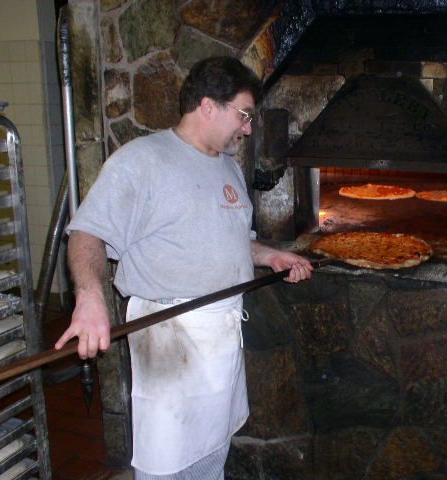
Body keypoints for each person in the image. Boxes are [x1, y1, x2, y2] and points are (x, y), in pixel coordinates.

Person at [55, 56, 313, 479]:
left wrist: (270, 256)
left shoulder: (227, 167)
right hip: (169, 335)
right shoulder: (141, 161)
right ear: (208, 105)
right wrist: (89, 299)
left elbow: (229, 239)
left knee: (213, 449)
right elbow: (88, 234)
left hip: (221, 334)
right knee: (168, 461)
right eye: (244, 115)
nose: (248, 128)